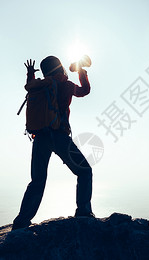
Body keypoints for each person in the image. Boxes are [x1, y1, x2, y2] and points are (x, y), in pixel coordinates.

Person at [12, 56, 94, 230]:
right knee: (85, 172)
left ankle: (21, 221)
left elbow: (29, 87)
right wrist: (81, 71)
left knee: (37, 181)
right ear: (60, 68)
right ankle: (84, 212)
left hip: (39, 137)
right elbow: (84, 91)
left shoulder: (40, 85)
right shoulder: (65, 85)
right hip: (59, 136)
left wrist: (30, 74)